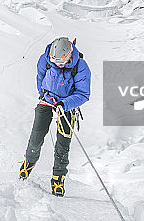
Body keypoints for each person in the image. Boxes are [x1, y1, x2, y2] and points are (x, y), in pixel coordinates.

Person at [18, 36, 90, 196]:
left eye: (61, 62)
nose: (57, 65)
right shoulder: (45, 59)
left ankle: (58, 177)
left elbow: (83, 94)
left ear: (69, 55)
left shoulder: (81, 67)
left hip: (67, 104)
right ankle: (27, 164)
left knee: (63, 142)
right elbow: (40, 77)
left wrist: (64, 104)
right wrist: (44, 94)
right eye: (55, 62)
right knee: (36, 135)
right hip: (47, 100)